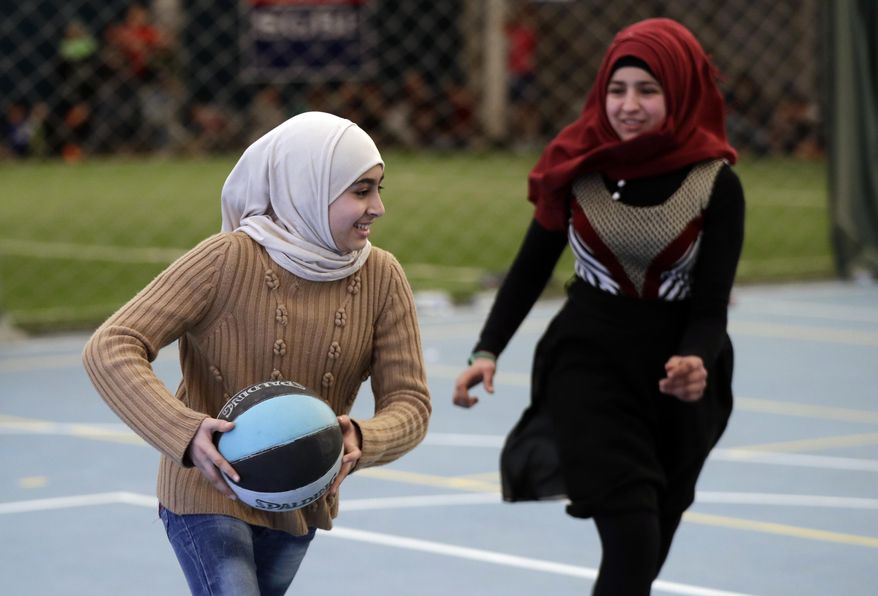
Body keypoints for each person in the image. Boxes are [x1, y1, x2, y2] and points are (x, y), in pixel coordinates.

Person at [452, 18, 744, 595]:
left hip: (678, 382)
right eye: (617, 90)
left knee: (648, 550)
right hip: (588, 362)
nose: (628, 105)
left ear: (680, 92)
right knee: (631, 538)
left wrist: (695, 361)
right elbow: (531, 267)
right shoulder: (576, 165)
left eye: (647, 90)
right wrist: (488, 349)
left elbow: (711, 308)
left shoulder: (715, 182)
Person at [83, 111, 431, 595]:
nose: (377, 207)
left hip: (299, 495)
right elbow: (111, 345)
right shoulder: (227, 259)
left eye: (379, 188)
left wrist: (363, 437)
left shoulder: (382, 277)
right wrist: (184, 433)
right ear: (306, 187)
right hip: (205, 492)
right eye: (360, 191)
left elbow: (411, 404)